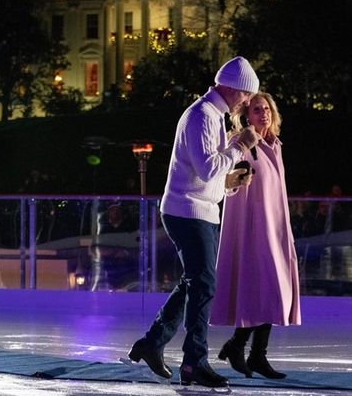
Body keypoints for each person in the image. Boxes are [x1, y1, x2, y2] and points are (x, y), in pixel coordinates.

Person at [127, 56, 260, 388]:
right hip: (187, 212)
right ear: (232, 87)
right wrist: (238, 145)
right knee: (204, 284)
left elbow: (207, 174)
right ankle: (194, 362)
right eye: (246, 94)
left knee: (194, 282)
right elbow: (207, 168)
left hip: (198, 209)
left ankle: (153, 343)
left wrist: (228, 183)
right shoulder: (201, 115)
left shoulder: (213, 116)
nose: (246, 102)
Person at [210, 91, 301, 379]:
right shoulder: (240, 143)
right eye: (257, 110)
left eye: (267, 109)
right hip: (254, 229)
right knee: (265, 290)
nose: (263, 114)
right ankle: (247, 350)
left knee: (272, 292)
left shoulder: (275, 145)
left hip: (276, 229)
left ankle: (245, 349)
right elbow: (228, 184)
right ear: (246, 115)